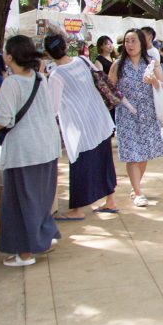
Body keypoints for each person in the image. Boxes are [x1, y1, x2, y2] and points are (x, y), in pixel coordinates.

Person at [0, 36, 61, 266]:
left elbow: (3, 119)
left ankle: (25, 253)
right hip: (47, 146)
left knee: (21, 202)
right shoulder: (39, 78)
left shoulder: (13, 82)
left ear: (9, 56)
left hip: (25, 151)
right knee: (41, 198)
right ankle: (44, 238)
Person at [43, 33, 118, 219]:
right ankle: (110, 200)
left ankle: (77, 210)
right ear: (66, 46)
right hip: (99, 118)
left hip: (78, 126)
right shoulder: (83, 61)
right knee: (104, 160)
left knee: (79, 165)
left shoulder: (56, 76)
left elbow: (52, 107)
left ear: (47, 53)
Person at [109, 29, 163, 207]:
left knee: (143, 153)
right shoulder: (118, 65)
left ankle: (136, 187)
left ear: (142, 43)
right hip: (126, 113)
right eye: (127, 41)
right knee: (132, 153)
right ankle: (138, 192)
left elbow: (162, 85)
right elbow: (109, 89)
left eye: (134, 41)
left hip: (148, 113)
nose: (130, 45)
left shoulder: (152, 63)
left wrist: (153, 82)